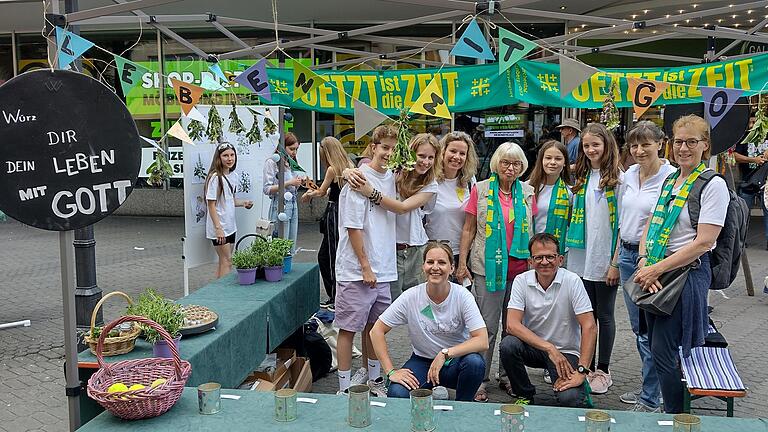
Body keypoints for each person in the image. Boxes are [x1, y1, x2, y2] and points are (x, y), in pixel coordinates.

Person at [634, 114, 729, 414]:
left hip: (685, 275)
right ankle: (673, 411)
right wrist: (644, 261)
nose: (683, 148)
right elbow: (651, 222)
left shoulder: (713, 185)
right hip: (656, 271)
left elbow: (703, 242)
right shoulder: (673, 179)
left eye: (691, 142)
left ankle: (676, 416)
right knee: (657, 345)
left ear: (705, 146)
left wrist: (656, 269)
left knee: (664, 351)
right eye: (678, 142)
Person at [455, 142, 534, 402]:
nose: (510, 168)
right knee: (486, 327)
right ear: (496, 164)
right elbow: (468, 228)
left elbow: (530, 231)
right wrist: (462, 262)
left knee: (513, 329)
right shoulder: (481, 190)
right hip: (486, 269)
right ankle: (480, 379)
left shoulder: (527, 192)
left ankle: (508, 377)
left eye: (516, 164)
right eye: (505, 162)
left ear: (522, 167)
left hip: (520, 270)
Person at [370, 241, 488, 402]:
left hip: (455, 362)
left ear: (452, 268)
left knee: (475, 363)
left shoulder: (462, 296)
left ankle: (462, 408)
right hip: (422, 361)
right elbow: (376, 331)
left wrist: (444, 354)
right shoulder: (411, 296)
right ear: (423, 266)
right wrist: (391, 371)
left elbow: (482, 340)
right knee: (397, 393)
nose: (435, 267)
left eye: (442, 262)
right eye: (430, 262)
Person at [616, 121, 677, 412]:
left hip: (653, 261)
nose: (639, 150)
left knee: (651, 331)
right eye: (634, 145)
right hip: (628, 258)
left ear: (660, 144)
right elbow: (622, 221)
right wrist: (617, 258)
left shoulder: (671, 177)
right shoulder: (629, 174)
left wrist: (649, 262)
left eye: (646, 144)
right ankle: (651, 387)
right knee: (638, 328)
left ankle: (652, 398)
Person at [334, 125, 398, 396]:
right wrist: (364, 265)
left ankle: (374, 380)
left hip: (384, 268)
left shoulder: (394, 179)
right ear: (373, 147)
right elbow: (352, 227)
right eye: (384, 147)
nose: (388, 153)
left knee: (376, 329)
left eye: (394, 149)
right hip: (356, 270)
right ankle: (344, 387)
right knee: (348, 329)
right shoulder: (358, 180)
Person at [499, 233, 596, 407]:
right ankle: (525, 394)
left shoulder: (572, 281)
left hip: (565, 352)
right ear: (530, 261)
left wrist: (582, 371)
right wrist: (549, 347)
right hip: (535, 348)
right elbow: (512, 325)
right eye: (539, 257)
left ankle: (580, 386)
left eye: (550, 257)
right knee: (508, 345)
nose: (544, 262)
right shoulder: (521, 281)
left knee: (571, 400)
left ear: (560, 259)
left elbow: (589, 326)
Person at [348, 134, 439, 302]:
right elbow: (369, 170)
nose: (425, 162)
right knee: (390, 310)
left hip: (416, 250)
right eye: (421, 156)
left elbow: (402, 208)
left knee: (422, 306)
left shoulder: (431, 184)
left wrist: (371, 192)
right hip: (390, 251)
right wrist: (348, 172)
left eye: (431, 157)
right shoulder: (392, 173)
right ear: (410, 153)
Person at [565, 123, 622, 395]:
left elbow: (624, 224)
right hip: (581, 256)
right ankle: (583, 365)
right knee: (584, 315)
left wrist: (615, 261)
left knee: (605, 314)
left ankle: (604, 368)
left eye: (595, 145)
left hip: (604, 256)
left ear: (606, 145)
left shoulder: (618, 179)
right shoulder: (582, 178)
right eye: (586, 146)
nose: (590, 150)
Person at [300, 136, 354, 311]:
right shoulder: (349, 164)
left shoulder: (332, 169)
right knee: (333, 253)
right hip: (345, 211)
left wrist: (309, 193)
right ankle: (338, 295)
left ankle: (335, 297)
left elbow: (322, 192)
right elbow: (331, 190)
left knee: (330, 255)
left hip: (334, 212)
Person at [424, 131, 479, 266]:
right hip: (433, 252)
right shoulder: (430, 180)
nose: (457, 157)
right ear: (442, 152)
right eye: (453, 151)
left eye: (462, 153)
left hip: (463, 253)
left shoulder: (470, 182)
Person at [205, 142, 253, 278]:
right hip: (220, 227)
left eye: (232, 155)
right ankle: (222, 294)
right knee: (227, 261)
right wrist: (218, 228)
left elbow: (230, 200)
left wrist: (244, 203)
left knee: (224, 261)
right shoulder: (215, 178)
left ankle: (216, 293)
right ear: (218, 158)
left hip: (231, 226)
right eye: (225, 155)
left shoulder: (234, 176)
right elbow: (211, 205)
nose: (230, 158)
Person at [525, 140, 572, 253]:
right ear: (541, 160)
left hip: (558, 252)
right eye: (548, 158)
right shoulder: (527, 188)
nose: (552, 162)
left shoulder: (569, 193)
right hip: (530, 250)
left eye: (558, 159)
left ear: (565, 163)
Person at [263, 132, 304, 254]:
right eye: (291, 149)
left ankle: (287, 267)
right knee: (280, 242)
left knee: (291, 243)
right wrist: (288, 183)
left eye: (296, 149)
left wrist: (300, 182)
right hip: (279, 203)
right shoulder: (272, 162)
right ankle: (277, 271)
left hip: (293, 202)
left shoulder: (291, 162)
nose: (294, 152)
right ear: (282, 147)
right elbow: (267, 189)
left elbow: (293, 184)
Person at [732, 115, 768, 250]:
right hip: (748, 180)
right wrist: (754, 160)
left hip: (766, 182)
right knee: (743, 212)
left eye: (755, 122)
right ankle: (741, 240)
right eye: (751, 122)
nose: (753, 125)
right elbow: (734, 155)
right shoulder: (744, 137)